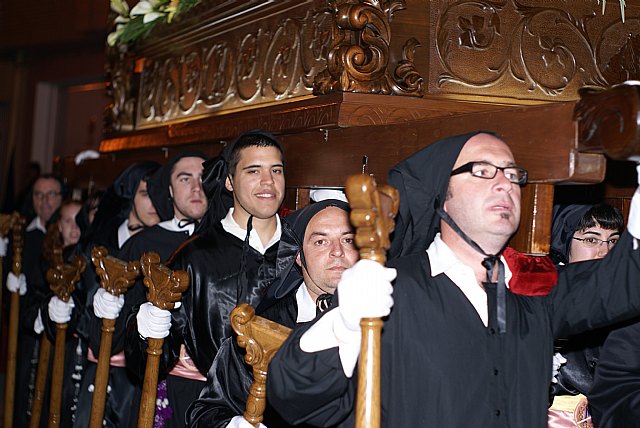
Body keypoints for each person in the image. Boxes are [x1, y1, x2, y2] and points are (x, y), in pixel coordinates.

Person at [266, 131, 640, 428]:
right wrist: (344, 324)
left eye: (512, 174)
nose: (504, 184)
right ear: (442, 198)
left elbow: (625, 279)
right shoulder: (391, 290)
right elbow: (295, 399)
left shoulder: (534, 289)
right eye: (481, 171)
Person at [125, 129, 285, 427]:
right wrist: (145, 328)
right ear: (229, 181)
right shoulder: (195, 257)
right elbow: (152, 361)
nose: (268, 181)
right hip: (214, 412)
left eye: (276, 170)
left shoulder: (300, 246)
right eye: (254, 171)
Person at [187, 198, 358, 428]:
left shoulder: (389, 323)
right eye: (320, 241)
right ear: (298, 256)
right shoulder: (260, 331)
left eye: (348, 240)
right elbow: (206, 414)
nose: (337, 251)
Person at [70, 161, 160, 428]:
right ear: (130, 194)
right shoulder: (98, 242)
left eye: (160, 194)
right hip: (91, 361)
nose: (154, 202)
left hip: (136, 375)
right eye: (146, 193)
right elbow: (76, 298)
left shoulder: (165, 247)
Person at [547, 203, 624, 428]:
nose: (605, 251)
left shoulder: (624, 295)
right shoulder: (541, 294)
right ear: (565, 240)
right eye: (592, 239)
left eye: (613, 241)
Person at [6, 174, 63, 427]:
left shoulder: (70, 233)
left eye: (51, 194)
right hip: (28, 330)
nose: (45, 201)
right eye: (39, 194)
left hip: (60, 329)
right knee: (24, 393)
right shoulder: (24, 235)